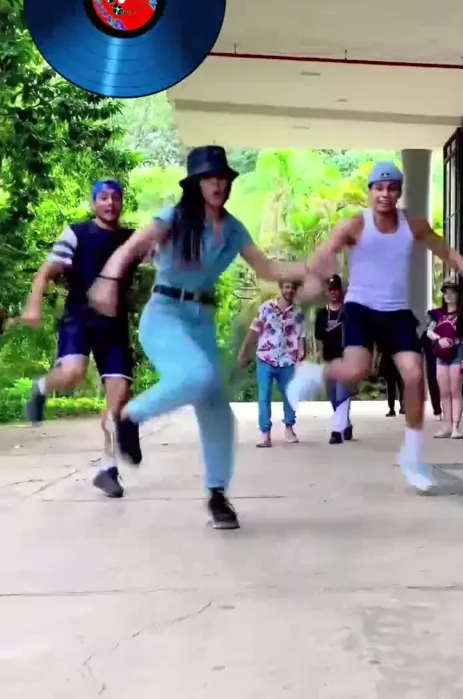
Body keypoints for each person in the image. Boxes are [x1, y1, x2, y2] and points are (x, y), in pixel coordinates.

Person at [89, 146, 309, 531]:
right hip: (165, 315)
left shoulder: (234, 228)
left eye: (222, 178)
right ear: (196, 184)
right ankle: (128, 417)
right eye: (209, 178)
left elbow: (269, 268)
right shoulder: (174, 218)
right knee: (197, 377)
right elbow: (132, 247)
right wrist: (108, 281)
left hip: (201, 321)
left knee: (217, 412)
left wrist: (312, 266)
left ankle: (217, 495)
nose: (218, 184)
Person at [286, 160, 463, 492]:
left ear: (399, 192)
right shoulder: (354, 225)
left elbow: (445, 251)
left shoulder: (413, 226)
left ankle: (413, 457)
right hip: (361, 308)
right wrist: (314, 276)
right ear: (370, 191)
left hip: (397, 312)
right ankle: (315, 374)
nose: (385, 194)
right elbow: (324, 253)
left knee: (414, 375)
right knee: (356, 371)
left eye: (391, 188)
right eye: (379, 188)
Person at [21, 179, 142, 499]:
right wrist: (34, 304)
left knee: (118, 398)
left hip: (114, 325)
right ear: (93, 202)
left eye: (116, 198)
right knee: (72, 373)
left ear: (122, 203)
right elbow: (46, 271)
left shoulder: (131, 239)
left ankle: (108, 469)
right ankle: (42, 387)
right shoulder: (77, 233)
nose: (110, 203)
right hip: (80, 319)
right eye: (103, 197)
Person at [237, 282, 306, 447]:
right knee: (264, 396)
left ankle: (289, 428)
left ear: (296, 291)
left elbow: (301, 335)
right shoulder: (266, 308)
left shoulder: (298, 313)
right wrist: (244, 351)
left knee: (290, 395)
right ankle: (265, 433)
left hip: (287, 360)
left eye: (293, 288)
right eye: (287, 287)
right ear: (281, 288)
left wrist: (303, 352)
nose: (290, 290)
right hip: (266, 358)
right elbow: (254, 330)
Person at [426, 279, 463, 439]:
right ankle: (446, 426)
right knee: (444, 392)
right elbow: (429, 332)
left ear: (457, 295)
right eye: (445, 293)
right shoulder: (437, 314)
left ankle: (455, 427)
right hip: (441, 354)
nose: (448, 295)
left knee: (455, 391)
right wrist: (439, 339)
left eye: (451, 293)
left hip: (458, 352)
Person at [314, 274, 353, 444]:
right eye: (330, 290)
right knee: (332, 395)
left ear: (341, 291)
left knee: (342, 394)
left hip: (346, 359)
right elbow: (318, 337)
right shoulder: (322, 314)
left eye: (336, 289)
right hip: (328, 359)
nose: (333, 293)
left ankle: (337, 431)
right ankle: (346, 424)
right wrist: (319, 359)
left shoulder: (348, 312)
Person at [420, 309, 443, 417]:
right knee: (434, 386)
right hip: (433, 364)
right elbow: (420, 347)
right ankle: (437, 410)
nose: (426, 320)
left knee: (438, 386)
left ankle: (439, 410)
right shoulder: (426, 334)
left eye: (428, 317)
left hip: (440, 363)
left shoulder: (441, 330)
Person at [377, 350, 405, 418]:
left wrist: (376, 363)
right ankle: (401, 407)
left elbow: (379, 351)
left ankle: (393, 408)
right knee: (400, 386)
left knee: (392, 387)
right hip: (396, 361)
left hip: (390, 362)